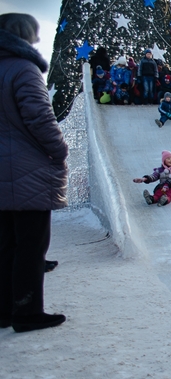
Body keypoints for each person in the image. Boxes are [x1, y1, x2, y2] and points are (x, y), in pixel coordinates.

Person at [0, 13, 68, 333]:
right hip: (27, 170)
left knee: (5, 244)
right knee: (31, 244)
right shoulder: (23, 69)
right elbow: (39, 118)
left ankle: (3, 310)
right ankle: (27, 311)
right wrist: (58, 150)